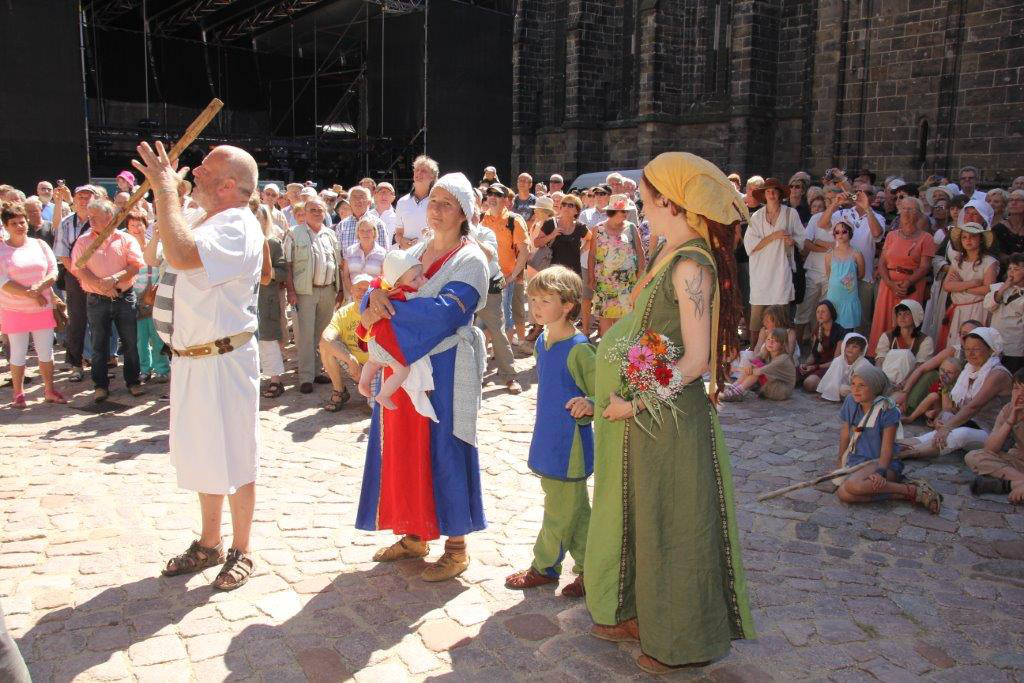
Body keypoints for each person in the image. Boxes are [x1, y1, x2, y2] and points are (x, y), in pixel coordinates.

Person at [585, 152, 754, 674]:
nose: (640, 206)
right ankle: (640, 613)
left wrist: (634, 402)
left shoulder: (690, 266)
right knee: (643, 518)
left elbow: (696, 360)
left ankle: (678, 640)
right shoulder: (667, 250)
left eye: (646, 198)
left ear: (671, 202)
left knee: (672, 527)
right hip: (645, 421)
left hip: (669, 422)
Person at [134, 141, 263, 591]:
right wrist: (167, 195)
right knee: (204, 453)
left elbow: (183, 255)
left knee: (236, 455)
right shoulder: (203, 217)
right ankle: (210, 543)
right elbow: (159, 251)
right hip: (192, 359)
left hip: (224, 360)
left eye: (206, 169)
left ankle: (243, 549)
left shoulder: (237, 225)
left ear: (228, 185)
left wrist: (166, 190)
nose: (196, 173)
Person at [355, 172, 489, 582]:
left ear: (464, 213)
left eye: (448, 203)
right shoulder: (414, 250)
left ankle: (457, 548)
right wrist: (373, 297)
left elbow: (446, 314)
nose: (437, 209)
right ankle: (413, 534)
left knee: (445, 447)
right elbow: (381, 284)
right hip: (404, 365)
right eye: (435, 200)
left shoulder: (472, 260)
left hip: (446, 368)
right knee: (404, 449)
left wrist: (386, 314)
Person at [504, 266, 594, 597]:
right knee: (576, 512)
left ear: (568, 305)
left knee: (558, 511)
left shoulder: (580, 349)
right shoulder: (542, 341)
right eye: (532, 299)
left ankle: (544, 567)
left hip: (569, 447)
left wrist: (591, 402)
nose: (536, 307)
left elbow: (602, 393)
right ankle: (593, 570)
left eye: (545, 300)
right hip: (547, 439)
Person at [834, 365, 943, 514]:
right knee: (844, 494)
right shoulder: (850, 402)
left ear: (875, 387)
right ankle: (903, 494)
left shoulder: (887, 409)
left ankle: (911, 490)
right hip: (858, 460)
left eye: (862, 385)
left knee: (853, 486)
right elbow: (845, 433)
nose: (855, 389)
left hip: (883, 462)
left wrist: (880, 472)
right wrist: (840, 462)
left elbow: (887, 447)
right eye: (853, 384)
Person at [69, 198, 144, 402]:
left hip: (124, 297)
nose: (91, 220)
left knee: (130, 343)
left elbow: (135, 265)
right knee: (99, 345)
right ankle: (100, 386)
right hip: (97, 299)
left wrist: (114, 280)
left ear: (110, 217)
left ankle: (133, 381)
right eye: (89, 216)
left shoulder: (125, 239)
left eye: (95, 216)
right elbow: (78, 269)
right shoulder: (84, 241)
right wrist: (102, 285)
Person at [900, 327, 1013, 459]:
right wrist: (941, 419)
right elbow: (958, 407)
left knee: (961, 434)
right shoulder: (969, 370)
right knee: (946, 420)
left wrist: (947, 427)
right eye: (967, 349)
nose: (970, 353)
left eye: (976, 349)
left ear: (990, 349)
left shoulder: (998, 374)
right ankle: (902, 445)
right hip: (973, 424)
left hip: (995, 433)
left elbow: (974, 407)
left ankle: (910, 453)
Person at [0, 202, 64, 407]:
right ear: (6, 226)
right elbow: (3, 281)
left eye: (22, 222)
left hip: (41, 307)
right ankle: (18, 394)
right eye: (14, 223)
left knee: (46, 352)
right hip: (14, 310)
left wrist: (38, 288)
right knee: (18, 353)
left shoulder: (40, 244)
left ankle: (49, 390)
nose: (20, 226)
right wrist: (30, 293)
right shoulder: (1, 250)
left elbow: (53, 271)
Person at [357, 250, 434, 416]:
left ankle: (363, 383)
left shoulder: (387, 291)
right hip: (387, 344)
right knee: (403, 371)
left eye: (421, 275)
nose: (421, 280)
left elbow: (375, 285)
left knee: (372, 362)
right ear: (399, 283)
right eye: (414, 279)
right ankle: (384, 395)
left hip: (375, 340)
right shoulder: (407, 294)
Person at [284, 198, 344, 393]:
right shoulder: (294, 233)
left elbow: (338, 264)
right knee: (305, 335)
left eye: (320, 210)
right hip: (304, 292)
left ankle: (318, 371)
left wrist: (340, 290)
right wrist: (291, 291)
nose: (317, 213)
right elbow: (287, 265)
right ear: (305, 212)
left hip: (328, 290)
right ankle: (306, 377)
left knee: (322, 334)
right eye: (313, 210)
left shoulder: (330, 234)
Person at [868, 198, 935, 354]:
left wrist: (908, 283)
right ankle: (879, 355)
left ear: (919, 214)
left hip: (911, 286)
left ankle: (905, 356)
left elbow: (925, 266)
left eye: (910, 209)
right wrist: (890, 283)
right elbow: (882, 262)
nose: (906, 212)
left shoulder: (926, 238)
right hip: (888, 284)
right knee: (883, 319)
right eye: (904, 208)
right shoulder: (891, 236)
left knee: (907, 321)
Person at [744, 177, 805, 337]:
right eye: (768, 191)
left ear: (779, 194)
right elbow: (750, 246)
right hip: (760, 273)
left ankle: (782, 348)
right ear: (764, 195)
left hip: (781, 272)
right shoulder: (756, 217)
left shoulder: (790, 214)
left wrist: (792, 241)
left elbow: (802, 238)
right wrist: (774, 236)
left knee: (781, 318)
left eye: (774, 191)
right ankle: (754, 349)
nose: (771, 194)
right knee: (757, 320)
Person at [52, 183, 98, 381]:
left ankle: (99, 363)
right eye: (80, 196)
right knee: (77, 320)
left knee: (100, 320)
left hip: (99, 274)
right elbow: (62, 254)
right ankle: (76, 364)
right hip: (74, 275)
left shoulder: (102, 221)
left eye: (88, 196)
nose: (84, 200)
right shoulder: (66, 223)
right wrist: (80, 274)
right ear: (74, 200)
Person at [588, 194, 645, 336]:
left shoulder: (631, 227)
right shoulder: (598, 228)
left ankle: (620, 349)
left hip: (627, 282)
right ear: (613, 211)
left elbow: (640, 251)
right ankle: (606, 348)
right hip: (604, 282)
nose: (626, 214)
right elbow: (592, 254)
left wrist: (640, 273)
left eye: (627, 211)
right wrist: (591, 277)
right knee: (605, 318)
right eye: (623, 211)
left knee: (624, 321)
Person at [481, 184, 530, 350]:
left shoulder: (514, 220)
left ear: (506, 199)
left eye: (497, 194)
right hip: (483, 277)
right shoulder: (481, 218)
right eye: (490, 193)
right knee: (483, 317)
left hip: (504, 278)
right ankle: (486, 354)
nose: (492, 197)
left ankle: (503, 354)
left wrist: (512, 276)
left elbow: (524, 251)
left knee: (504, 316)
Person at [965, 368, 1024, 504]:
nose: (1020, 394)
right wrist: (1010, 421)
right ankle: (1019, 483)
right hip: (1019, 461)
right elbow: (990, 449)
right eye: (1016, 388)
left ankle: (1007, 485)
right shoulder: (1009, 409)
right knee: (974, 457)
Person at [125, 208, 169, 384]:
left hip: (154, 296)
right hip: (133, 298)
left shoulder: (156, 245)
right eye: (132, 225)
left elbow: (162, 268)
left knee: (157, 337)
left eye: (139, 225)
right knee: (140, 339)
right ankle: (144, 369)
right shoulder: (125, 248)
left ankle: (162, 369)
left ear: (146, 225)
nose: (136, 229)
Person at [941, 220, 999, 349]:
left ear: (981, 240)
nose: (968, 240)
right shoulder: (957, 261)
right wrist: (971, 283)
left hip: (977, 309)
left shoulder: (989, 262)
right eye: (964, 237)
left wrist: (961, 286)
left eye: (973, 236)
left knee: (975, 343)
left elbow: (987, 289)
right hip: (959, 309)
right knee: (956, 345)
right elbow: (947, 286)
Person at [320, 274, 373, 411]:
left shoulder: (379, 311)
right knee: (326, 347)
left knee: (375, 408)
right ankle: (340, 391)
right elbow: (326, 338)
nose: (362, 293)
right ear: (351, 290)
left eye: (366, 289)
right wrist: (351, 360)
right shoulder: (343, 312)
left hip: (375, 367)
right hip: (353, 364)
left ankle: (373, 391)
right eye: (358, 288)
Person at [254, 204, 286, 399]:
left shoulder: (273, 243)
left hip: (265, 298)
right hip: (243, 299)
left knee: (268, 339)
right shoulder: (240, 242)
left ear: (266, 220)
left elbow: (282, 272)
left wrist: (266, 272)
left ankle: (275, 380)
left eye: (258, 217)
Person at [722, 328, 796, 401]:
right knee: (754, 365)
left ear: (782, 344)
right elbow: (754, 360)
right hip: (771, 384)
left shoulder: (783, 358)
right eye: (768, 339)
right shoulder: (766, 352)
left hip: (780, 389)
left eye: (775, 341)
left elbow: (760, 371)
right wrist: (749, 366)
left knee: (756, 368)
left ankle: (737, 392)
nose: (770, 343)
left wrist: (740, 369)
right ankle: (734, 387)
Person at [874, 299, 934, 388]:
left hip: (911, 381)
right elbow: (880, 360)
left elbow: (920, 366)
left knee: (906, 354)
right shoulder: (887, 336)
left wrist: (905, 383)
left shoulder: (925, 340)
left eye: (907, 314)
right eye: (899, 314)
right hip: (885, 379)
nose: (902, 317)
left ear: (915, 316)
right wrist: (880, 379)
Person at [984, 252, 1024, 372]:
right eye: (1009, 268)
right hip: (994, 346)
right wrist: (1003, 289)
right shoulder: (999, 287)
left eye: (1016, 269)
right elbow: (988, 305)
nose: (1011, 272)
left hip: (1014, 350)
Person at [824, 218, 865, 330]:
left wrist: (849, 281)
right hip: (833, 297)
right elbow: (829, 275)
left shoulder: (857, 254)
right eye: (837, 232)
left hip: (849, 297)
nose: (840, 235)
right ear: (834, 235)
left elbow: (861, 274)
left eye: (844, 231)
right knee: (832, 329)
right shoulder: (829, 254)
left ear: (850, 233)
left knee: (848, 330)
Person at [537, 194, 589, 276]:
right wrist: (551, 235)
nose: (566, 207)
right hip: (552, 273)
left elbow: (591, 239)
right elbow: (537, 243)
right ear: (560, 208)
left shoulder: (580, 227)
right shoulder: (550, 223)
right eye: (564, 204)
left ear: (577, 211)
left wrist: (581, 251)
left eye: (570, 205)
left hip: (573, 274)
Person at [798, 300, 844, 392]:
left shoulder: (839, 331)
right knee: (790, 374)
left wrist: (816, 367)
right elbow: (813, 354)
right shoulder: (817, 330)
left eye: (823, 311)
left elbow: (836, 361)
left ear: (831, 313)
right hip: (816, 365)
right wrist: (806, 364)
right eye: (818, 312)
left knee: (809, 384)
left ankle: (828, 385)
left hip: (830, 367)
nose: (820, 314)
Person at [901, 357, 962, 425]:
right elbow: (929, 400)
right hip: (939, 410)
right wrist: (927, 412)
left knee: (945, 414)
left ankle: (935, 422)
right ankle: (911, 418)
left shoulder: (958, 386)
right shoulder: (940, 382)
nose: (944, 374)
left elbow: (948, 409)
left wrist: (945, 388)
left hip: (951, 414)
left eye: (949, 372)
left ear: (958, 375)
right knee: (934, 395)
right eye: (942, 370)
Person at [395, 155, 438, 249]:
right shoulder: (402, 202)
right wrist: (402, 241)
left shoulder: (437, 202)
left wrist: (433, 234)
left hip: (431, 254)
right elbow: (398, 234)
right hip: (407, 255)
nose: (419, 173)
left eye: (423, 171)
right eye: (417, 170)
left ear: (433, 176)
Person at [817, 332, 870, 402]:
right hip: (844, 387)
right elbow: (831, 379)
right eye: (847, 346)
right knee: (841, 389)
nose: (850, 349)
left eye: (855, 347)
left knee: (843, 390)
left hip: (858, 389)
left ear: (861, 351)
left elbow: (864, 384)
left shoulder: (864, 364)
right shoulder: (838, 360)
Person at [335, 187, 388, 252]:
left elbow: (384, 253)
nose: (357, 201)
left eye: (361, 197)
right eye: (354, 197)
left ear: (369, 203)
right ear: (349, 202)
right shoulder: (341, 225)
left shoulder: (378, 224)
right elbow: (338, 252)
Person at [342, 218, 387, 293]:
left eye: (369, 230)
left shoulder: (382, 253)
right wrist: (353, 292)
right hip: (353, 296)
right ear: (358, 233)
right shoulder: (350, 251)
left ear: (374, 232)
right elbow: (345, 276)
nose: (365, 233)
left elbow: (383, 279)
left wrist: (372, 296)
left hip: (373, 297)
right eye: (362, 230)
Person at [993, 189, 1024, 258]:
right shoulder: (998, 229)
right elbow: (996, 253)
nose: (1014, 203)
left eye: (1018, 200)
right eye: (1011, 200)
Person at [374, 182, 398, 246]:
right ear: (375, 196)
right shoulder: (367, 216)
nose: (384, 196)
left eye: (387, 193)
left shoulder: (399, 217)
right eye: (381, 193)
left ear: (393, 197)